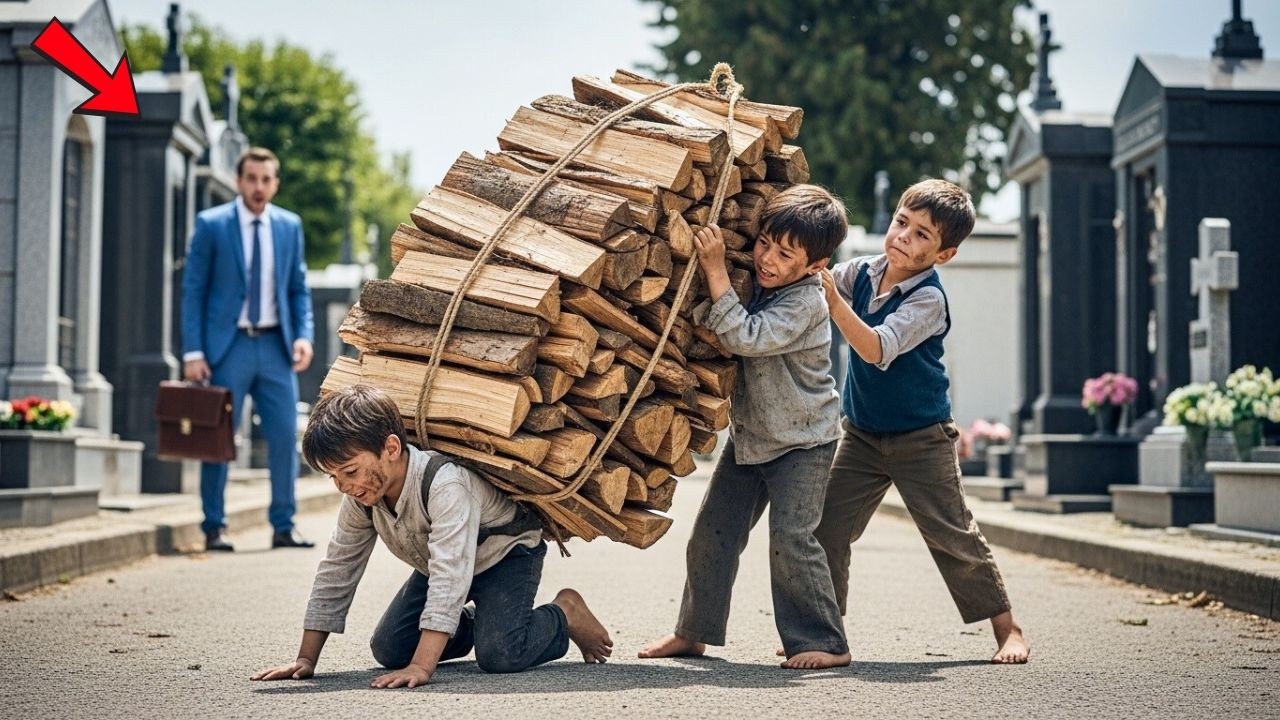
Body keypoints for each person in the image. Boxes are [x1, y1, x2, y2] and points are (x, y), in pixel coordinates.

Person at [251, 385, 613, 688]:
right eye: (334, 477)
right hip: (440, 565)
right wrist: (305, 659)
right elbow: (338, 568)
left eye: (350, 471)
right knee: (390, 650)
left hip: (506, 554)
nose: (344, 486)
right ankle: (482, 619)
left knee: (501, 654)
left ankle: (564, 612)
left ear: (391, 449)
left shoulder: (445, 484)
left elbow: (451, 573)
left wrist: (422, 667)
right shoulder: (363, 497)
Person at [815, 178, 1031, 664]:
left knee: (951, 532)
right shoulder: (863, 272)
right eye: (901, 223)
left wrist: (833, 302)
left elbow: (874, 349)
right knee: (826, 528)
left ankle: (1008, 627)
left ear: (944, 254)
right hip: (863, 434)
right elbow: (817, 282)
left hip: (922, 437)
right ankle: (826, 633)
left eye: (921, 235)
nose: (903, 237)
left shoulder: (928, 299)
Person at [638, 185, 851, 670]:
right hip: (752, 437)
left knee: (793, 540)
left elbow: (746, 336)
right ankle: (694, 632)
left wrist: (715, 269)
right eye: (764, 244)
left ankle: (825, 641)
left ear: (816, 266)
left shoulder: (806, 303)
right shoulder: (758, 285)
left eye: (785, 254)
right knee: (713, 533)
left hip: (803, 441)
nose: (767, 259)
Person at [181, 147, 316, 552]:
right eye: (252, 178)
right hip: (227, 347)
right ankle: (213, 526)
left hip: (276, 347)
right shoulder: (212, 225)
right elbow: (193, 291)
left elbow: (297, 289)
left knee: (283, 437)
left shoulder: (289, 226)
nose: (259, 187)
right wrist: (192, 352)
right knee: (218, 439)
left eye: (266, 179)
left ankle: (283, 524)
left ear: (275, 184)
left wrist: (304, 335)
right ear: (239, 182)